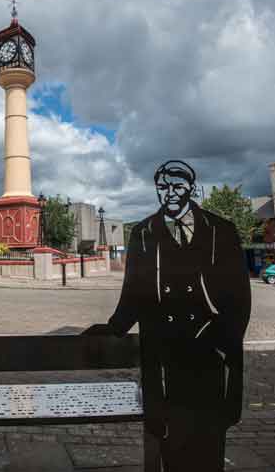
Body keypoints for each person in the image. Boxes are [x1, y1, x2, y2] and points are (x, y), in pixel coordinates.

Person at [84, 160, 251, 471]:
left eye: (177, 186)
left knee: (209, 439)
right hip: (163, 352)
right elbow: (133, 292)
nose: (170, 193)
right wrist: (113, 327)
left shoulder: (222, 230)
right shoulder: (143, 232)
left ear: (191, 187)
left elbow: (239, 297)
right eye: (163, 187)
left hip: (209, 353)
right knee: (169, 437)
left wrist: (222, 342)